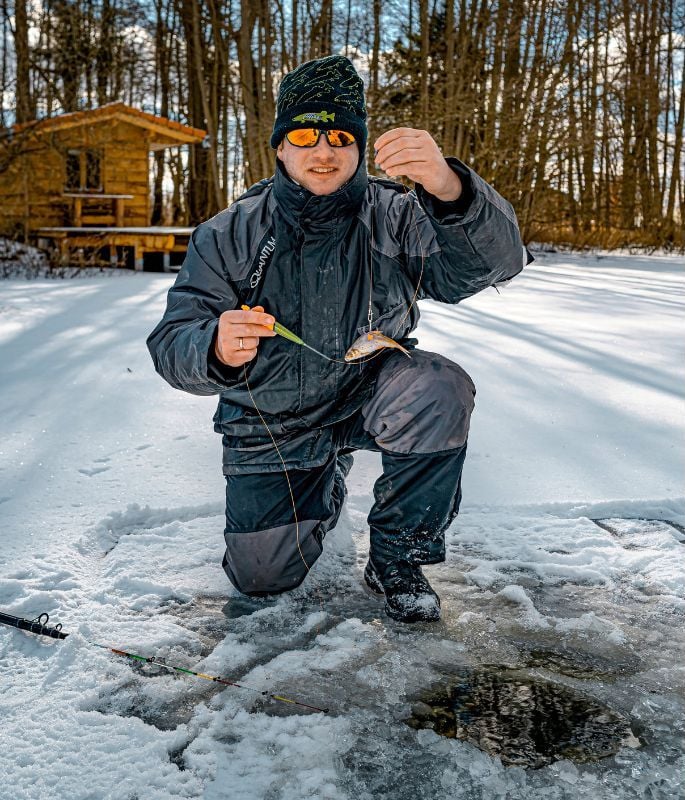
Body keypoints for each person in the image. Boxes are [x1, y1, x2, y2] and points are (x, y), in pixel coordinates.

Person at [147, 54, 533, 623]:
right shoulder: (230, 232)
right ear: (280, 146)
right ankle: (321, 484)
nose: (323, 151)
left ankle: (399, 557)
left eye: (341, 136)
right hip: (271, 422)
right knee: (262, 578)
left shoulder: (397, 213)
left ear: (358, 147)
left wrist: (450, 188)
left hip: (368, 393)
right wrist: (214, 346)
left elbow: (495, 265)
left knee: (438, 388)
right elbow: (171, 340)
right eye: (305, 134)